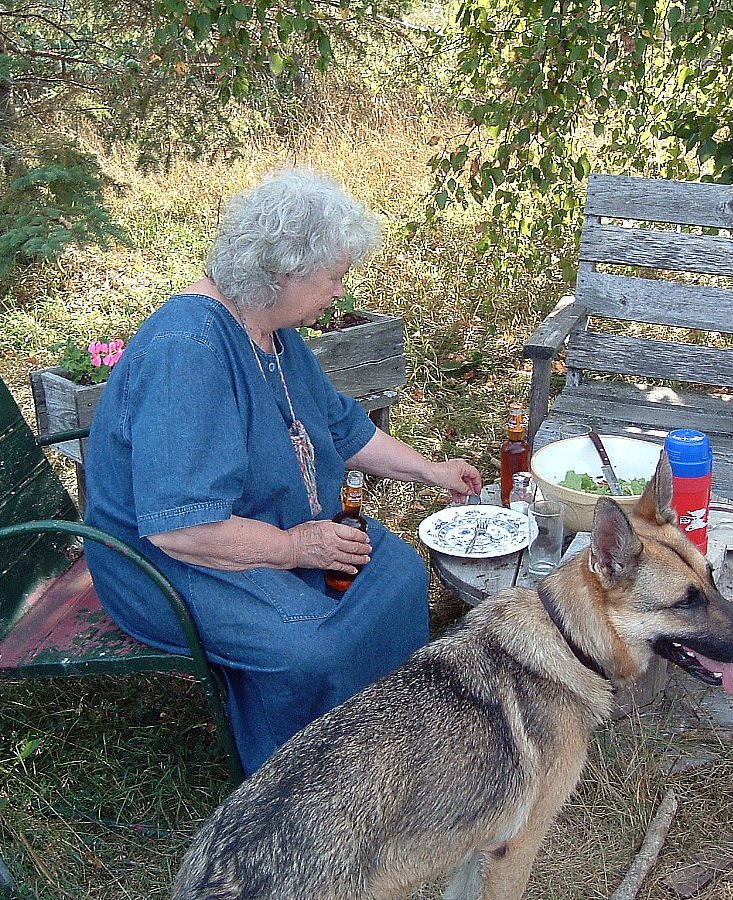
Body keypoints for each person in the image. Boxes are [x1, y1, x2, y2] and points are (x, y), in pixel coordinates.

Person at [82, 169, 482, 776]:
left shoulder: (272, 331)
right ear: (280, 273)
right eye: (334, 277)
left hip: (273, 526)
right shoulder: (189, 352)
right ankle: (305, 786)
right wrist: (298, 546)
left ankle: (389, 742)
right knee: (312, 647)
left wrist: (432, 471)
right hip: (168, 565)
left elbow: (343, 429)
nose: (341, 292)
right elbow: (179, 530)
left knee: (396, 573)